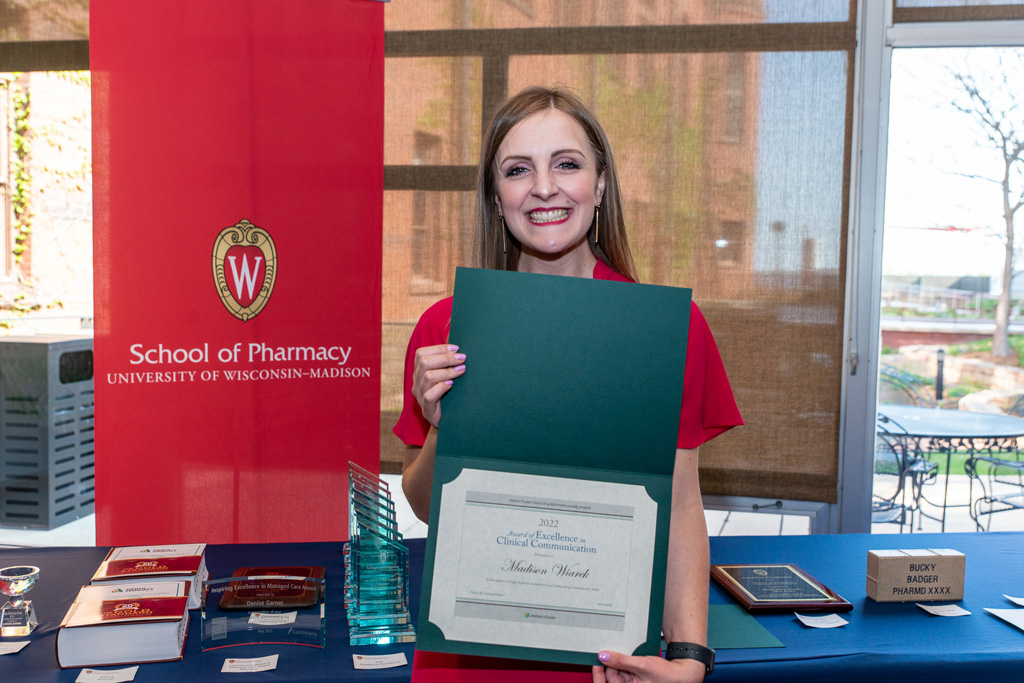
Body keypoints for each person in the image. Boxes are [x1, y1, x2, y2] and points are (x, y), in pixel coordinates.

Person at [394, 85, 743, 683]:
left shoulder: (665, 330)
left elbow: (681, 504)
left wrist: (690, 659)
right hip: (468, 658)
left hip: (605, 665)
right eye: (517, 170)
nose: (545, 187)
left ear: (601, 184)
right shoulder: (445, 329)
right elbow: (428, 507)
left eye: (567, 164)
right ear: (496, 197)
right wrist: (444, 428)